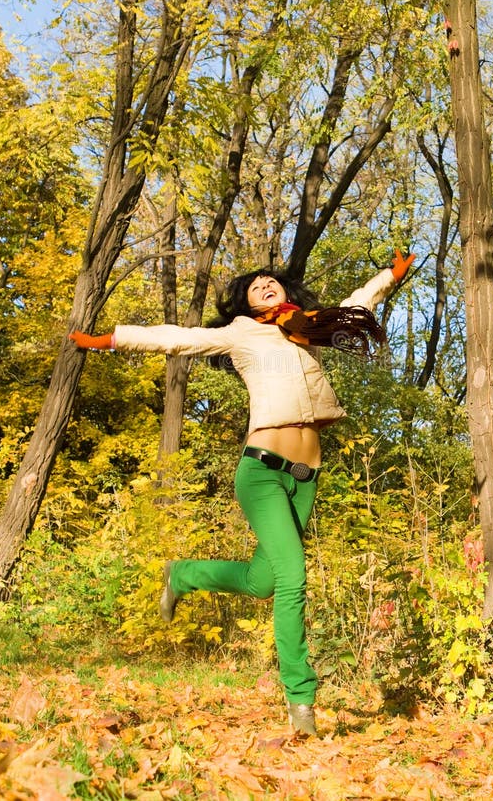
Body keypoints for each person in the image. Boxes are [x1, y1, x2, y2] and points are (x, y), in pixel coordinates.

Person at [69, 249, 415, 736]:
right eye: (256, 285)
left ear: (286, 292)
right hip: (261, 472)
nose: (266, 284)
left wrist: (390, 275)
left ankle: (184, 574)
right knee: (293, 581)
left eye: (272, 280)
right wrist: (108, 340)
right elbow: (175, 339)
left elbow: (358, 304)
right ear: (246, 303)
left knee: (263, 582)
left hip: (305, 476)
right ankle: (302, 705)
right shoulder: (240, 333)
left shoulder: (307, 327)